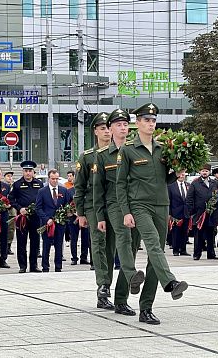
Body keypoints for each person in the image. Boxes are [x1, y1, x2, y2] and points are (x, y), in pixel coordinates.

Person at [116, 102, 189, 324]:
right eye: (146, 120)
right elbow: (120, 185)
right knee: (153, 244)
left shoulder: (163, 149)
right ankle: (171, 283)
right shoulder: (128, 150)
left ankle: (146, 308)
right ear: (137, 123)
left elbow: (163, 179)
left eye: (153, 120)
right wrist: (126, 212)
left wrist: (176, 172)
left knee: (154, 259)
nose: (150, 123)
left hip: (161, 205)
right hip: (139, 205)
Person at [94, 108, 146, 317]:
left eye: (126, 124)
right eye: (118, 125)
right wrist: (99, 216)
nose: (123, 128)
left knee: (131, 248)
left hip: (136, 204)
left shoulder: (137, 150)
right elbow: (98, 189)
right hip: (114, 204)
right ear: (111, 129)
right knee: (123, 240)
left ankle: (121, 299)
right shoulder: (102, 156)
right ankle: (132, 275)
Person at [75, 112, 113, 308]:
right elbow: (79, 187)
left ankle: (107, 290)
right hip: (92, 206)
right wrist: (80, 213)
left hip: (114, 204)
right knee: (98, 245)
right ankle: (103, 287)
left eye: (108, 127)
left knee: (111, 247)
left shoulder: (120, 153)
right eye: (102, 128)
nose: (107, 131)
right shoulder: (88, 157)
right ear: (95, 131)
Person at [9, 161, 43, 274]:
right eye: (26, 171)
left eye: (30, 171)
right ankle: (22, 266)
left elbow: (42, 199)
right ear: (23, 172)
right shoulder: (17, 184)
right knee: (21, 242)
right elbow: (11, 199)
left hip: (35, 217)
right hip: (22, 217)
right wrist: (19, 208)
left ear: (33, 172)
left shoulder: (39, 183)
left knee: (35, 242)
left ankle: (34, 265)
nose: (28, 173)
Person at [35, 170, 70, 272]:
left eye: (57, 179)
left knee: (59, 245)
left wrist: (67, 213)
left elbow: (69, 204)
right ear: (49, 179)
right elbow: (38, 208)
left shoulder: (64, 190)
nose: (55, 181)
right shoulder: (42, 191)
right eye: (53, 179)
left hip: (60, 223)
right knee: (46, 245)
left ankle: (58, 266)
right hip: (47, 224)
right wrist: (46, 219)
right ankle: (45, 266)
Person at [187, 164, 218, 261]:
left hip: (212, 213)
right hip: (199, 213)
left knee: (211, 234)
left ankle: (211, 253)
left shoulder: (214, 183)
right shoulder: (195, 183)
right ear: (199, 172)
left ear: (209, 172)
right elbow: (189, 198)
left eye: (206, 171)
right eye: (202, 171)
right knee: (198, 235)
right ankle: (197, 253)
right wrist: (192, 211)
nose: (204, 172)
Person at [168, 170, 191, 256]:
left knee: (185, 232)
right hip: (175, 213)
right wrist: (170, 213)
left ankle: (183, 250)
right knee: (176, 232)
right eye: (180, 174)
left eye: (183, 174)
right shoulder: (171, 186)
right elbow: (169, 200)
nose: (182, 176)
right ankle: (176, 250)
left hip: (186, 212)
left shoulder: (188, 185)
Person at [3, 171, 16, 256]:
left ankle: (9, 246)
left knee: (11, 230)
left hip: (12, 211)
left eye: (11, 176)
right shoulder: (2, 186)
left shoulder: (15, 187)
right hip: (3, 210)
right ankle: (4, 246)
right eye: (8, 176)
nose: (10, 178)